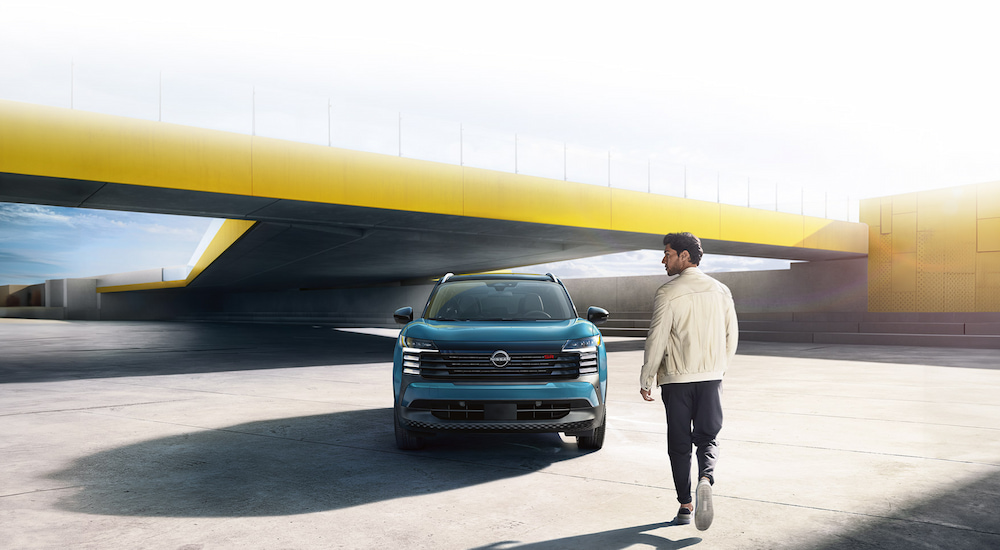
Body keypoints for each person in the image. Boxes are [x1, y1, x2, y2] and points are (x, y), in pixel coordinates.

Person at [639, 232, 739, 531]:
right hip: (711, 378)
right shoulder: (721, 291)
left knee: (679, 444)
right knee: (707, 438)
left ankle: (685, 506)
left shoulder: (668, 293)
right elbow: (731, 336)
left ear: (685, 256)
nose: (663, 259)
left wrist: (647, 378)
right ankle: (706, 479)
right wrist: (719, 370)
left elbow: (656, 338)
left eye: (667, 253)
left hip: (677, 380)